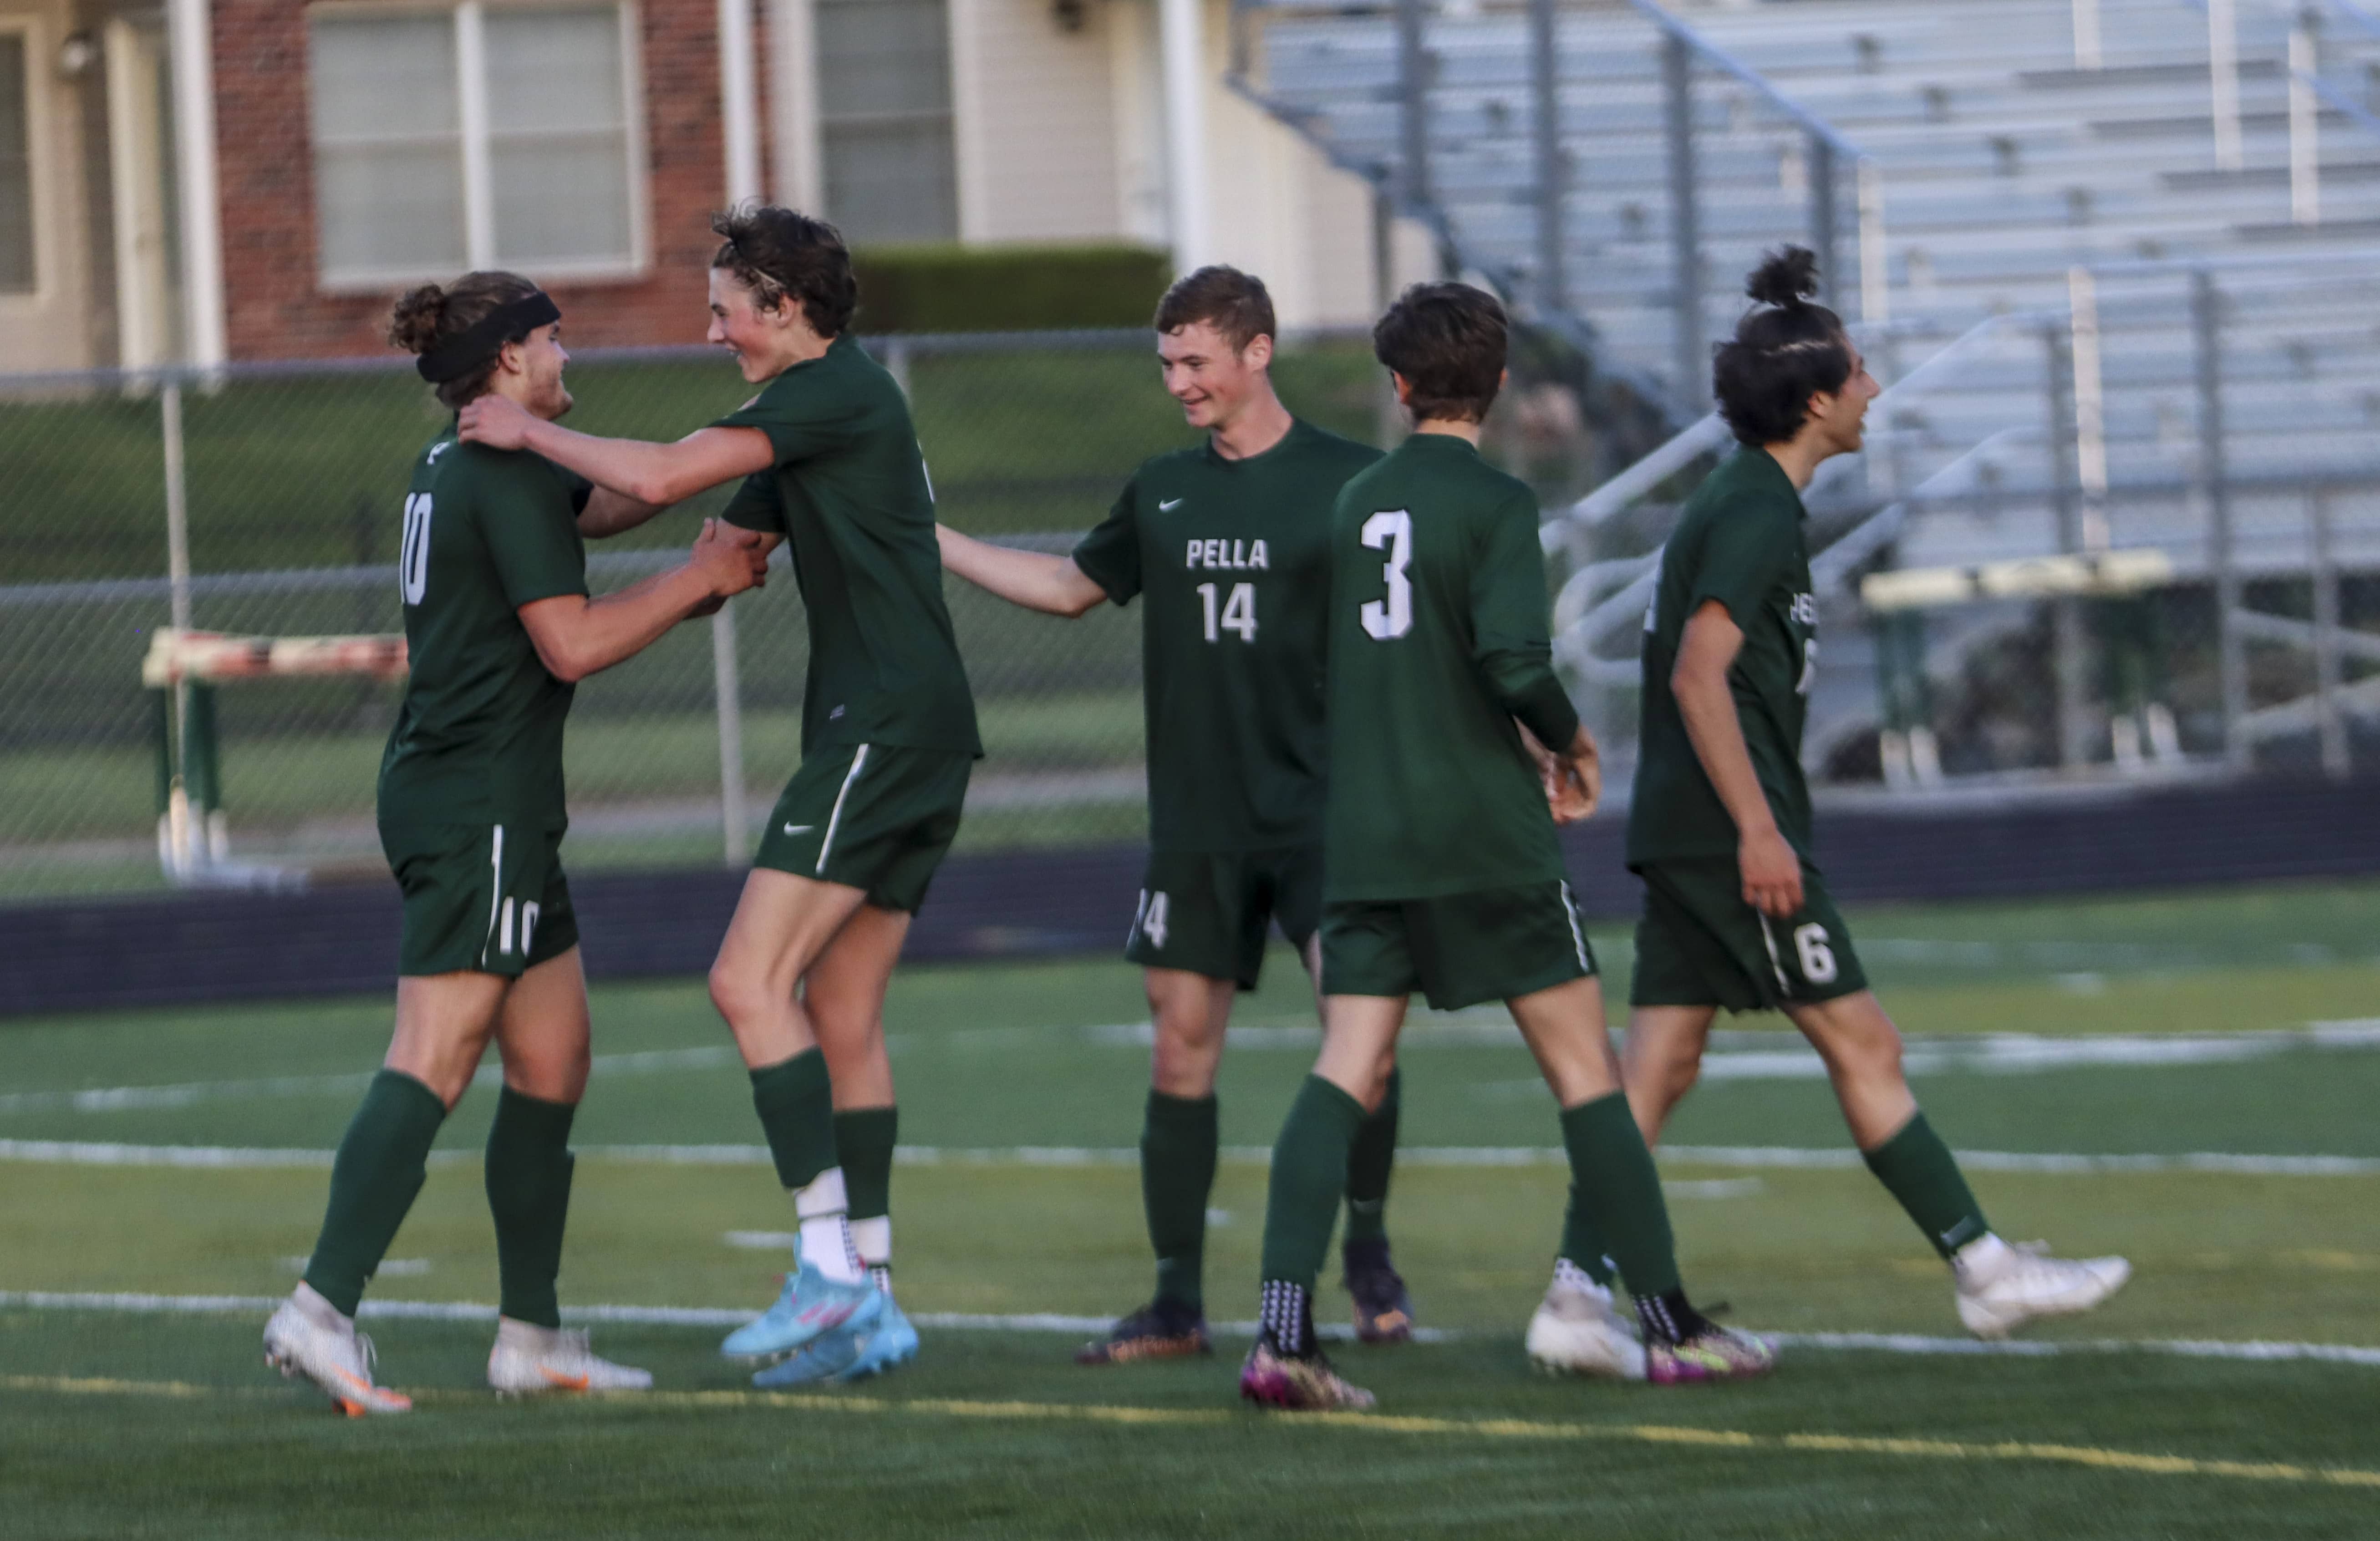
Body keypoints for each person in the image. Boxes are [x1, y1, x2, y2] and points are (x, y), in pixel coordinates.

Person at [457, 207, 978, 1387]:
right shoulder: (811, 413)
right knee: (837, 1014)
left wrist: (519, 435)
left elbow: (651, 468)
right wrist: (573, 551)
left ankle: (827, 1270)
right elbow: (694, 538)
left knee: (744, 981)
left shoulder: (827, 394)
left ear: (784, 308)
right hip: (911, 727)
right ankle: (872, 1302)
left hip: (884, 729)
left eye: (725, 306)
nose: (710, 329)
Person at [1240, 282, 1775, 1412]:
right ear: (1494, 388)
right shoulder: (1493, 502)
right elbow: (1511, 663)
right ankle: (1671, 1323)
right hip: (1483, 833)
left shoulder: (1353, 505)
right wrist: (1570, 747)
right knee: (1588, 1076)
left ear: (1396, 386)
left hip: (1369, 833)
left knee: (1343, 1069)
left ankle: (1282, 1337)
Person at [263, 272, 771, 1414]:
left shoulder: (487, 464)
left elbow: (605, 505)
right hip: (475, 801)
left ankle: (529, 1338)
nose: (564, 353)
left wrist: (745, 450)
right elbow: (572, 646)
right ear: (506, 364)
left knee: (554, 1059)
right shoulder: (495, 474)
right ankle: (319, 1309)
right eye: (551, 340)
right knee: (435, 1055)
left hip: (494, 800)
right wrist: (699, 578)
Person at [1617, 246, 2131, 1340]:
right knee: (1865, 1044)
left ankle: (1575, 1291)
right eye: (1859, 373)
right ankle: (1983, 1268)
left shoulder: (1749, 499)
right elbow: (1697, 676)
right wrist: (1759, 830)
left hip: (1690, 828)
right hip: (1727, 835)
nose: (1875, 391)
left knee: (1659, 1065)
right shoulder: (1754, 508)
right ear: (1815, 400)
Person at [936, 267, 1417, 1365]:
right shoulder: (1161, 488)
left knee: (1365, 1047)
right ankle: (1175, 1305)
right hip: (1199, 825)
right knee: (1177, 1054)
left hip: (1329, 820)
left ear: (1258, 353)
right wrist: (937, 540)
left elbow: (1413, 642)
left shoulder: (1354, 482)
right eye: (1166, 365)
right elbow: (1068, 589)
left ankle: (1372, 1262)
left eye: (1195, 362)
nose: (1178, 385)